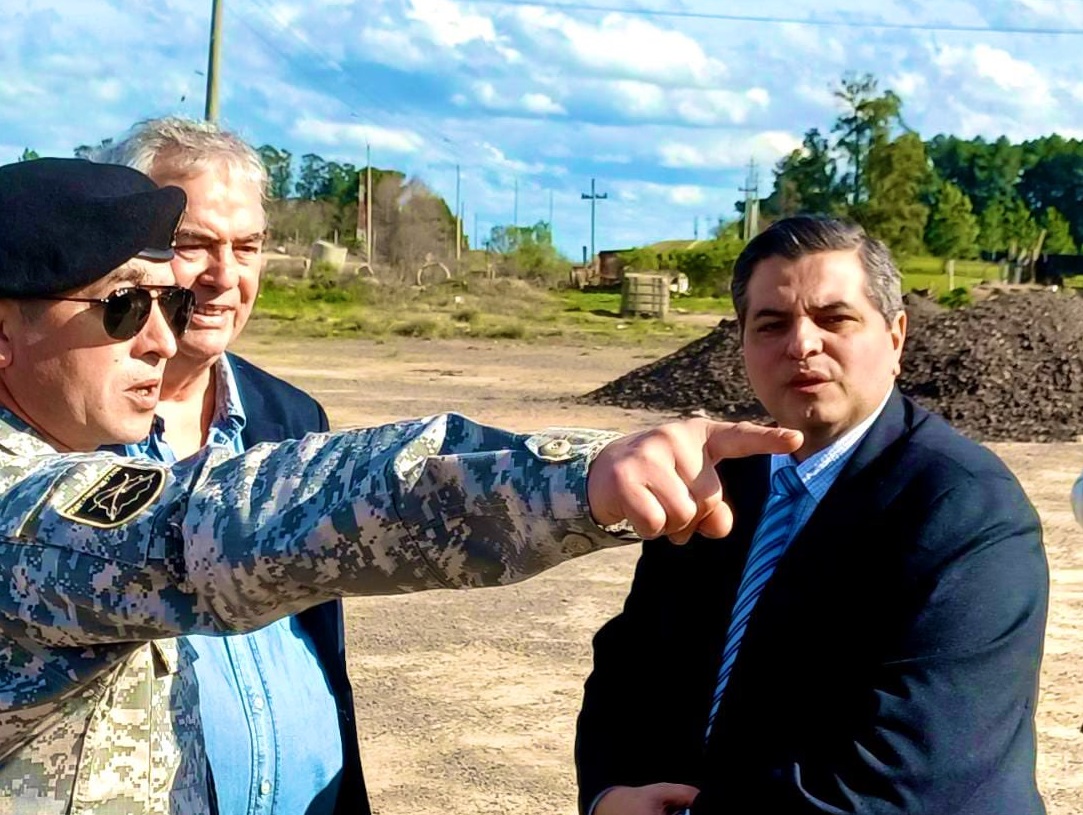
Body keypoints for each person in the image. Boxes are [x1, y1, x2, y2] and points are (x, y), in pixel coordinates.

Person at [0, 157, 802, 814]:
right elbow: (240, 517)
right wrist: (575, 475)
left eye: (165, 301)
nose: (159, 335)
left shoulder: (99, 453)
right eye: (122, 306)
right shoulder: (19, 511)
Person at [575, 215, 1049, 815]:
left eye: (835, 318)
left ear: (897, 336)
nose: (802, 344)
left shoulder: (966, 507)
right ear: (742, 342)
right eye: (772, 324)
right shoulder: (713, 479)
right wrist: (610, 794)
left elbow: (911, 771)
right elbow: (631, 663)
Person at [95, 118, 367, 815]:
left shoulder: (292, 417)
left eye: (247, 247)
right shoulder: (66, 428)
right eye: (194, 245)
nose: (225, 276)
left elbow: (321, 647)